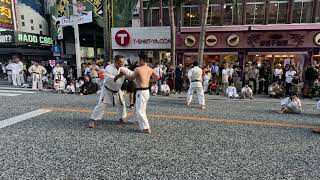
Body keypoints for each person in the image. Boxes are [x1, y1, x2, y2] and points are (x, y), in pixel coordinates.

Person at [120, 53, 160, 133]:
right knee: (139, 107)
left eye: (139, 59)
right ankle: (136, 119)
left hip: (141, 91)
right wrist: (149, 81)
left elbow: (131, 78)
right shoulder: (150, 69)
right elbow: (157, 77)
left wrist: (124, 73)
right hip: (146, 91)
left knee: (140, 111)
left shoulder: (138, 69)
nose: (138, 61)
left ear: (141, 60)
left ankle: (146, 128)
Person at [89, 55, 130, 128]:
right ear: (115, 61)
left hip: (117, 90)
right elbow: (110, 79)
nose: (122, 63)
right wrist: (120, 75)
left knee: (121, 104)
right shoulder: (109, 68)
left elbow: (131, 75)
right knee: (101, 105)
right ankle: (93, 120)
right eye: (120, 62)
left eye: (123, 62)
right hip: (107, 90)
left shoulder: (123, 68)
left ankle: (122, 118)